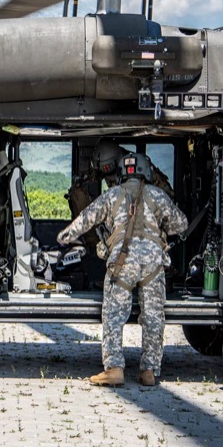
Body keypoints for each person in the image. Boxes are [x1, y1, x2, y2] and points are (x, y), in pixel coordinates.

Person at [57, 153, 188, 387]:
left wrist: (64, 237)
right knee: (153, 317)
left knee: (113, 316)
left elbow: (85, 219)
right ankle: (149, 371)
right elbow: (181, 224)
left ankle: (115, 369)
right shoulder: (158, 196)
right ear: (147, 172)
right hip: (153, 264)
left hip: (122, 263)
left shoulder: (112, 195)